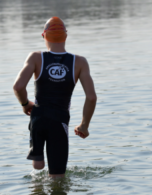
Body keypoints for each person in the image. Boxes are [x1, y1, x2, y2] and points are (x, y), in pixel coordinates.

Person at [13, 17, 97, 178]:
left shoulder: (36, 57)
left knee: (37, 168)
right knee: (57, 177)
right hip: (59, 120)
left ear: (44, 35)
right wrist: (84, 125)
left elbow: (18, 87)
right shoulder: (79, 62)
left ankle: (38, 162)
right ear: (65, 36)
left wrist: (25, 104)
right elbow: (91, 97)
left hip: (37, 117)